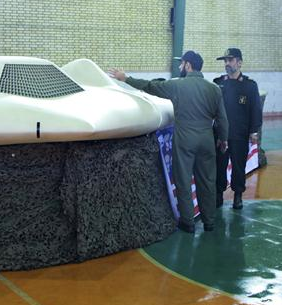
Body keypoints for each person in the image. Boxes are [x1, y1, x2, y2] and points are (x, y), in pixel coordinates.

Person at [108, 51, 228, 233]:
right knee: (207, 181)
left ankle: (188, 222)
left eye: (182, 64)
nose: (180, 67)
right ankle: (209, 221)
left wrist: (126, 78)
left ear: (188, 65)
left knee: (184, 180)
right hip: (207, 140)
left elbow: (151, 86)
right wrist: (223, 139)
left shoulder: (177, 85)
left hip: (185, 139)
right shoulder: (214, 89)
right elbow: (222, 119)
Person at [214, 48, 262, 210]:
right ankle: (218, 194)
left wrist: (254, 131)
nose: (227, 63)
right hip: (221, 135)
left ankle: (238, 195)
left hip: (240, 134)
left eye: (230, 60)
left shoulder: (249, 86)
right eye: (225, 61)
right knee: (219, 166)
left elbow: (256, 110)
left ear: (239, 63)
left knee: (238, 166)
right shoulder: (218, 83)